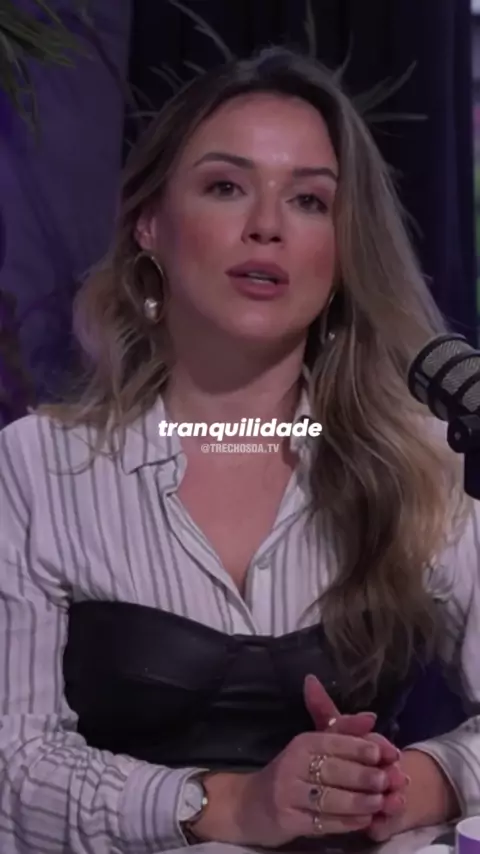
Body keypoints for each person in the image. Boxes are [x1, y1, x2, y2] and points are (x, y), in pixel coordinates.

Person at [0, 44, 478, 854]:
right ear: (150, 225)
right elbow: (12, 767)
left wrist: (408, 784)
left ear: (342, 251)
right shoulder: (37, 468)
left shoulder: (429, 464)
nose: (267, 225)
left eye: (310, 201)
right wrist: (226, 804)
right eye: (226, 187)